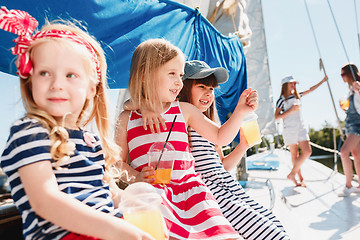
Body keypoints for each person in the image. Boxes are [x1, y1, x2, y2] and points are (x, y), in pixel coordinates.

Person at [0, 7, 154, 240]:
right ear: (30, 81)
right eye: (44, 73)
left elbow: (111, 194)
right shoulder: (30, 133)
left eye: (70, 75)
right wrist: (116, 229)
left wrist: (139, 205)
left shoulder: (90, 142)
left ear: (92, 88)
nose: (56, 84)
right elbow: (46, 201)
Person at [115, 38, 258, 240]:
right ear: (146, 75)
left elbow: (220, 136)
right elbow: (115, 163)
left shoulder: (184, 110)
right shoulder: (127, 118)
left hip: (192, 193)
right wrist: (135, 176)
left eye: (181, 75)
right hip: (152, 194)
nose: (179, 82)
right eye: (172, 73)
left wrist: (241, 111)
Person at [173, 60, 288, 240]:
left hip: (230, 189)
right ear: (183, 88)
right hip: (212, 195)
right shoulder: (181, 116)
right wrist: (240, 111)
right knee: (272, 235)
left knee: (275, 225)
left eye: (211, 89)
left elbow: (223, 166)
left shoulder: (208, 124)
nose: (208, 93)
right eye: (202, 86)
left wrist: (243, 145)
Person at [275, 74, 328, 187]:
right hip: (289, 129)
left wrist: (322, 81)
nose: (293, 85)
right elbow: (276, 117)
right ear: (285, 85)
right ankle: (300, 178)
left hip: (301, 127)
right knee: (295, 154)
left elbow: (310, 89)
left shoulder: (297, 96)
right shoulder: (281, 100)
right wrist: (291, 110)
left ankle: (292, 174)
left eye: (294, 83)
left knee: (307, 151)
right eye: (291, 83)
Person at [338, 63, 360, 197]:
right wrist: (344, 108)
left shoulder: (357, 86)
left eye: (342, 74)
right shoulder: (351, 90)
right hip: (351, 124)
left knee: (344, 151)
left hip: (357, 125)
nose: (341, 77)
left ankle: (348, 186)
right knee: (356, 154)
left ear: (349, 74)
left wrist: (358, 89)